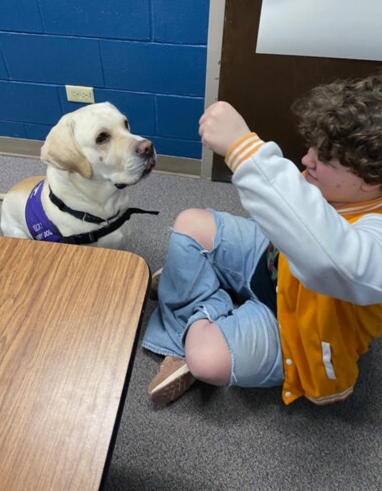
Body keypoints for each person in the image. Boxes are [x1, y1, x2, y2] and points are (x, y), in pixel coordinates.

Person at [142, 73, 382, 406]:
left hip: (293, 328)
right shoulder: (336, 185)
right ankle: (206, 298)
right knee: (189, 224)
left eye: (324, 160)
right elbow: (280, 213)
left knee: (204, 359)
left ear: (370, 181)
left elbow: (336, 262)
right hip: (272, 262)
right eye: (313, 148)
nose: (306, 160)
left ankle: (202, 303)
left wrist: (243, 149)